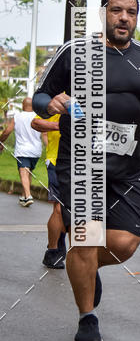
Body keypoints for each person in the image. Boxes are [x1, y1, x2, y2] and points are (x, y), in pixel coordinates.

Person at [33, 0, 140, 341]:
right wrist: (53, 103)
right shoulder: (75, 52)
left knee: (127, 243)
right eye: (116, 10)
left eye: (131, 12)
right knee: (86, 238)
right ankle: (88, 317)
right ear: (103, 14)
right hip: (80, 163)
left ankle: (86, 266)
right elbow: (39, 97)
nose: (124, 18)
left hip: (127, 169)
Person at [30, 112, 67, 268]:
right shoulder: (59, 98)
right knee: (59, 208)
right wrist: (60, 126)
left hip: (85, 164)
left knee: (80, 208)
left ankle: (63, 243)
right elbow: (36, 123)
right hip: (57, 162)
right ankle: (52, 251)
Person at [0, 97, 43, 206]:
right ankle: (24, 197)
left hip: (23, 150)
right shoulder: (38, 116)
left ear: (23, 106)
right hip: (36, 151)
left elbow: (7, 131)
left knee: (23, 172)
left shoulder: (18, 116)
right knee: (28, 173)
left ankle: (28, 196)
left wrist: (1, 141)